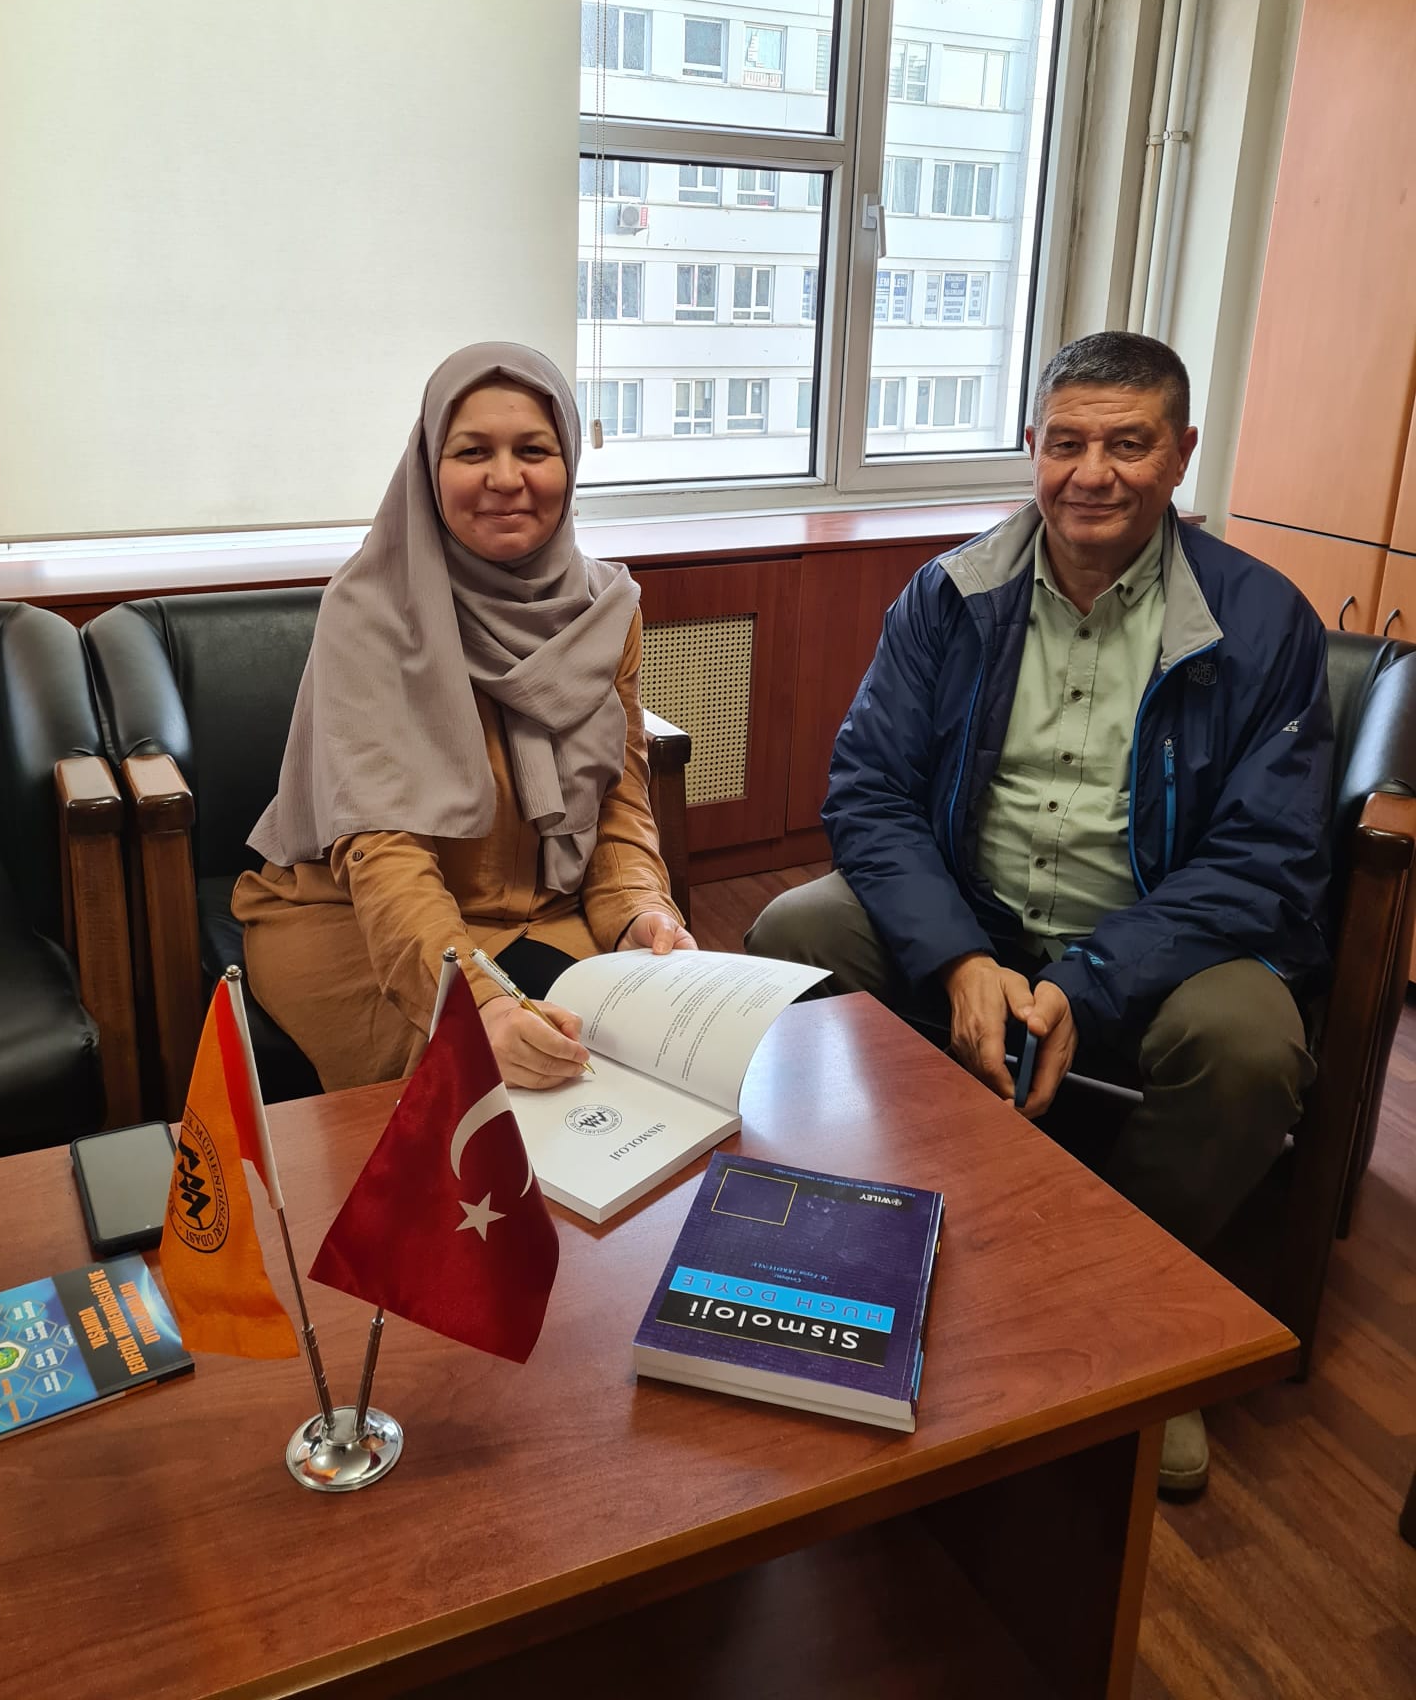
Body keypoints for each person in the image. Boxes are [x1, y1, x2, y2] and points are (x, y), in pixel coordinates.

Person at [746, 331, 1331, 1492]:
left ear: (1181, 455)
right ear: (1031, 446)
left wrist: (1089, 979)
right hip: (977, 912)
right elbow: (868, 793)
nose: (1092, 473)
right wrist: (959, 957)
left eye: (1128, 444)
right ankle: (882, 1230)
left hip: (1163, 941)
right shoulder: (950, 595)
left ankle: (1133, 1310)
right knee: (793, 933)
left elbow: (1265, 860)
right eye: (1066, 443)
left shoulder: (1265, 623)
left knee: (1250, 1048)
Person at [236, 342, 694, 1094]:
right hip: (369, 923)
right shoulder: (370, 612)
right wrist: (478, 1000)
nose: (505, 479)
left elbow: (619, 804)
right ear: (429, 466)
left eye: (534, 450)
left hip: (549, 909)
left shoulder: (605, 611)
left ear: (569, 462)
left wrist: (638, 908)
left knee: (649, 1069)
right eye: (473, 451)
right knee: (480, 1093)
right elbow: (382, 847)